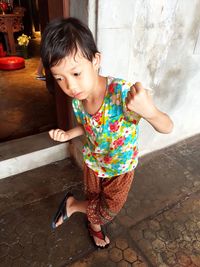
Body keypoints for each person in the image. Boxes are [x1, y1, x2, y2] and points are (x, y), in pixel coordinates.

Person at [40, 17, 173, 248]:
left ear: (95, 61)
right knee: (93, 199)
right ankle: (94, 227)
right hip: (93, 162)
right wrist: (69, 135)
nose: (70, 86)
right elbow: (89, 126)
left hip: (120, 168)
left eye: (76, 73)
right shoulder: (77, 101)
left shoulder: (121, 93)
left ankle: (72, 205)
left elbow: (167, 127)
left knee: (108, 209)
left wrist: (150, 112)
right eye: (59, 78)